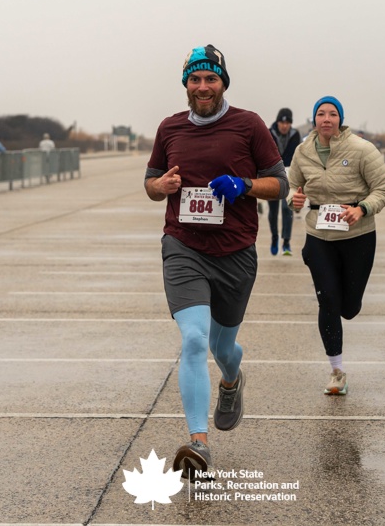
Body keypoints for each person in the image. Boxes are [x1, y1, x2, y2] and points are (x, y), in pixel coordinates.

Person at [145, 44, 287, 480]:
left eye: (211, 78)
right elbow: (150, 183)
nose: (203, 86)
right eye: (195, 79)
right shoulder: (170, 128)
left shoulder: (249, 124)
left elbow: (280, 184)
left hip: (235, 254)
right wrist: (161, 186)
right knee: (193, 339)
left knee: (223, 348)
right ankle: (198, 443)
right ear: (185, 84)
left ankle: (231, 379)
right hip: (183, 247)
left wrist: (244, 185)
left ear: (223, 82)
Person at [288, 96, 385, 396]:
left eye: (332, 114)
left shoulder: (362, 149)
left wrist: (362, 209)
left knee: (349, 307)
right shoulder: (303, 152)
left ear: (340, 120)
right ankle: (336, 371)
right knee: (328, 301)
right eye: (321, 114)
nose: (326, 119)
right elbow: (292, 186)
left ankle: (350, 305)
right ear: (314, 119)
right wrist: (294, 200)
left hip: (357, 236)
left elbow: (382, 189)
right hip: (319, 235)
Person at [267, 108, 301, 256]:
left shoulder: (295, 135)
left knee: (287, 208)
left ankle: (286, 241)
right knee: (273, 210)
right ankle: (274, 237)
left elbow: (297, 157)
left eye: (287, 123)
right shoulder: (269, 133)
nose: (285, 126)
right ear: (278, 122)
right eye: (282, 122)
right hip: (272, 176)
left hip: (289, 176)